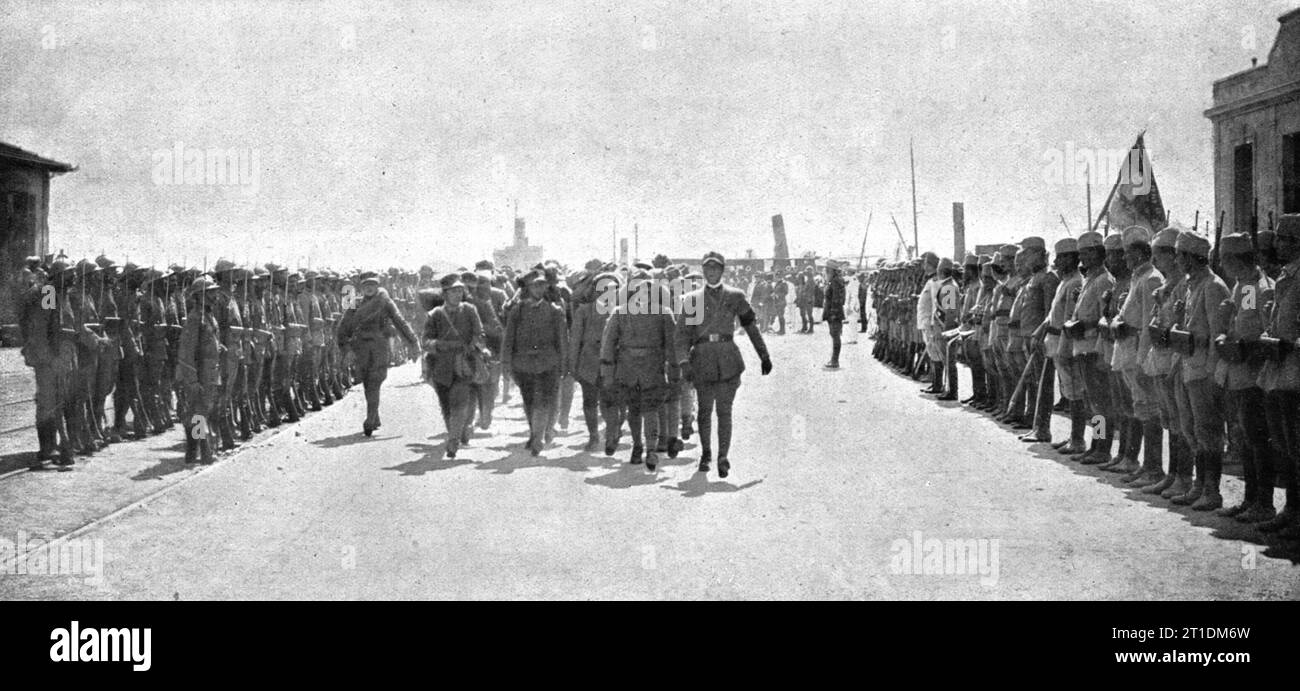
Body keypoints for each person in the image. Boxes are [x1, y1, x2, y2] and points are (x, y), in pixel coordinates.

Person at [676, 251, 772, 478]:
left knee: (724, 411)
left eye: (716, 268)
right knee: (705, 410)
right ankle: (706, 453)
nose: (711, 272)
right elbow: (681, 335)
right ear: (702, 271)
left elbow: (750, 327)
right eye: (707, 268)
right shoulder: (692, 300)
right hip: (702, 360)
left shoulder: (735, 296)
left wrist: (764, 355)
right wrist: (683, 361)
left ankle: (723, 457)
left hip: (728, 360)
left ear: (722, 270)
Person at [600, 268, 678, 470]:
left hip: (652, 369)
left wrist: (674, 371)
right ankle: (637, 445)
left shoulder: (663, 313)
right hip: (628, 370)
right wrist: (607, 371)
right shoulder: (620, 313)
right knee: (634, 410)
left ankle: (650, 449)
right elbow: (608, 344)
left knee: (650, 409)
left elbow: (672, 345)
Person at [337, 271, 418, 437]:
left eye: (372, 284)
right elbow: (342, 328)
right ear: (361, 287)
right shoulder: (353, 302)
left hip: (379, 348)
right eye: (366, 285)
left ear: (378, 286)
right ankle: (374, 416)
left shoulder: (385, 301)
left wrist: (413, 342)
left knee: (375, 381)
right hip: (361, 349)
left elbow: (400, 321)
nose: (369, 288)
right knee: (367, 383)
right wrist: (346, 350)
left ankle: (370, 418)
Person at [502, 269, 568, 455]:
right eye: (535, 285)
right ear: (528, 288)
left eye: (542, 285)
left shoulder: (554, 311)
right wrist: (506, 363)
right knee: (529, 400)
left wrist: (564, 364)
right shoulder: (517, 310)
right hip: (523, 364)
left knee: (543, 401)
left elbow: (562, 339)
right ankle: (535, 433)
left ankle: (538, 438)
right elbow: (509, 339)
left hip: (548, 363)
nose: (539, 289)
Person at [420, 273, 484, 457]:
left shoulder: (470, 310)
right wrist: (440, 345)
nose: (457, 294)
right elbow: (425, 341)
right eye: (453, 291)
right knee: (446, 406)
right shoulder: (435, 315)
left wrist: (473, 345)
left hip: (463, 364)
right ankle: (457, 432)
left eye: (460, 291)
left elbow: (479, 334)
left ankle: (454, 440)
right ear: (445, 294)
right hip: (441, 367)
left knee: (459, 402)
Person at [569, 271, 623, 453]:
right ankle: (594, 436)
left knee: (612, 401)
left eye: (612, 289)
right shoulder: (584, 311)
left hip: (613, 363)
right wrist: (573, 365)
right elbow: (575, 339)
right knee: (589, 402)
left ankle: (612, 433)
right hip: (589, 363)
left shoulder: (622, 311)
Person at [176, 276, 222, 465]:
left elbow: (208, 341)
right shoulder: (195, 319)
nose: (214, 296)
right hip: (200, 373)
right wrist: (192, 381)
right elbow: (186, 353)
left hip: (211, 371)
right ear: (200, 297)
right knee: (198, 413)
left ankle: (191, 452)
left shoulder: (208, 316)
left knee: (200, 412)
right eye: (210, 293)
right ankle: (204, 451)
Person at [823, 260, 847, 368]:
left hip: (834, 313)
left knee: (835, 335)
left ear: (831, 270)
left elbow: (837, 299)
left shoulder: (836, 281)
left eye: (827, 269)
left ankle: (835, 361)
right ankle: (834, 359)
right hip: (833, 312)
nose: (825, 271)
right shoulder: (833, 280)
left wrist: (833, 313)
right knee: (834, 335)